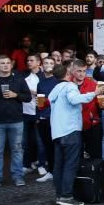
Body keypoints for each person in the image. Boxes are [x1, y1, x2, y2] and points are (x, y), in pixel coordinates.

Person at [49, 60, 104, 205]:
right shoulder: (70, 86)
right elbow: (75, 100)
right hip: (70, 131)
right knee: (70, 165)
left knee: (59, 165)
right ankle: (66, 196)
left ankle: (60, 194)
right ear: (68, 73)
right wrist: (95, 93)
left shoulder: (56, 88)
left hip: (57, 132)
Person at [0, 55, 32, 189]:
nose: (6, 65)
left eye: (8, 63)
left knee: (17, 150)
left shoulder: (18, 79)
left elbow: (27, 97)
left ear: (11, 65)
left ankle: (18, 176)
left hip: (16, 120)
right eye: (2, 63)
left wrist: (16, 95)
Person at [34, 56, 57, 184]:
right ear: (42, 66)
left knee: (57, 146)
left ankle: (57, 170)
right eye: (46, 63)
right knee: (47, 146)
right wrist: (38, 116)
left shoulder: (58, 81)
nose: (48, 65)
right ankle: (51, 171)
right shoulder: (40, 83)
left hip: (56, 118)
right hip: (43, 118)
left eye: (51, 63)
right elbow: (39, 101)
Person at [22, 54, 44, 176]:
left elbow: (44, 92)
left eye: (31, 60)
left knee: (39, 140)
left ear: (38, 62)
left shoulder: (43, 76)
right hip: (25, 111)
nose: (29, 62)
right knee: (24, 141)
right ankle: (26, 164)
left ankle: (41, 163)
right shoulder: (24, 76)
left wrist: (32, 92)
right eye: (28, 60)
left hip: (38, 111)